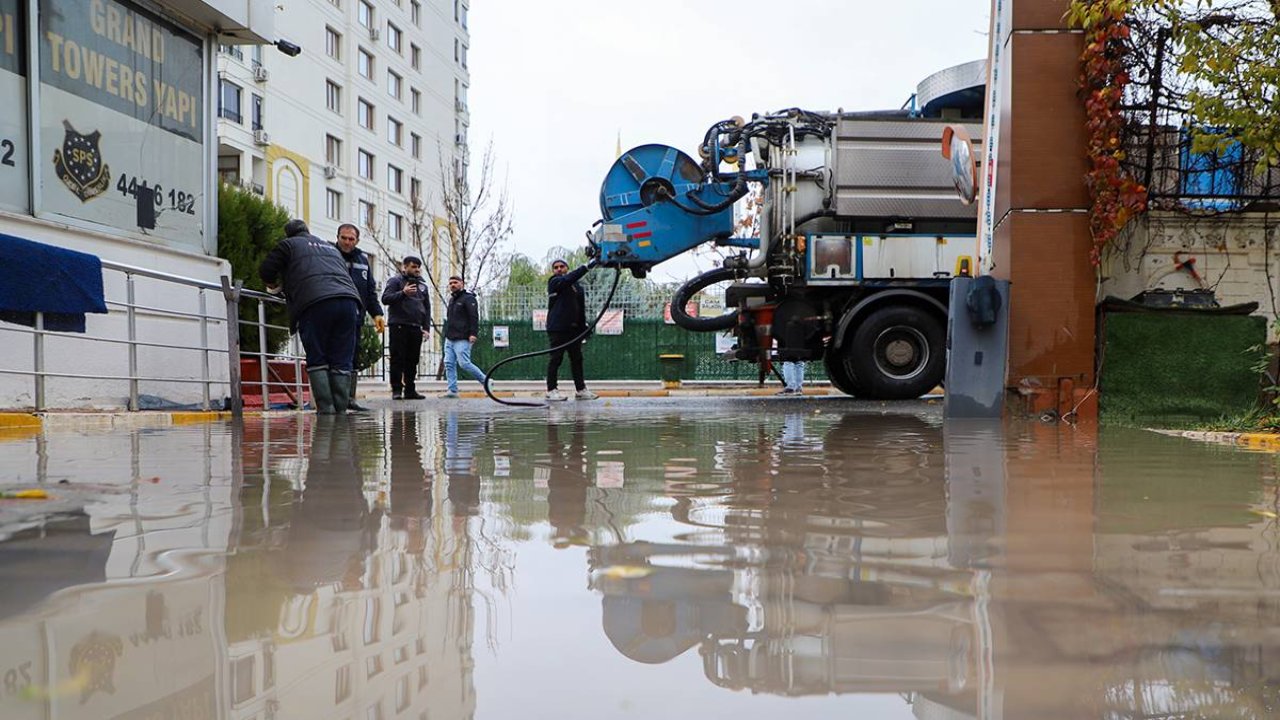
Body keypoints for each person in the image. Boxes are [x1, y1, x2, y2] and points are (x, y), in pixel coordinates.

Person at [259, 219, 361, 414]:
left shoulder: (288, 245)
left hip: (315, 302)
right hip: (349, 301)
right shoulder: (330, 248)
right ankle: (340, 412)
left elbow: (266, 270)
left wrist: (273, 286)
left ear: (288, 234)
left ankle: (326, 410)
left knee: (318, 357)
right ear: (307, 230)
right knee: (341, 358)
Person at [335, 223, 385, 411]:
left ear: (357, 240)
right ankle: (334, 400)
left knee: (352, 357)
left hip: (355, 317)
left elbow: (369, 291)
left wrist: (377, 313)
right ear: (337, 237)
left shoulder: (363, 260)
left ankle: (350, 399)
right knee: (333, 357)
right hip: (332, 316)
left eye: (351, 239)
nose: (347, 242)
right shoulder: (329, 255)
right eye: (343, 238)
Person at [545, 258, 598, 401]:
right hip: (557, 329)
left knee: (577, 359)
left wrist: (583, 327)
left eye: (562, 266)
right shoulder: (555, 282)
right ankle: (551, 390)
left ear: (566, 268)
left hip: (573, 330)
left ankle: (580, 390)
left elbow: (580, 308)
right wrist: (585, 267)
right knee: (556, 359)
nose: (559, 269)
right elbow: (568, 279)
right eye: (556, 267)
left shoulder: (577, 287)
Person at [381, 255, 431, 400]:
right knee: (397, 358)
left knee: (413, 360)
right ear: (405, 267)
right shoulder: (395, 281)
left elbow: (426, 308)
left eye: (418, 267)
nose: (417, 270)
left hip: (416, 327)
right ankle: (396, 390)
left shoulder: (422, 285)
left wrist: (426, 327)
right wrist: (403, 293)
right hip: (399, 325)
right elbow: (385, 299)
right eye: (413, 267)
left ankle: (410, 390)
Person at [440, 275, 488, 399]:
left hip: (463, 337)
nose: (452, 285)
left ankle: (486, 382)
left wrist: (473, 333)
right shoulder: (452, 300)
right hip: (450, 338)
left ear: (462, 283)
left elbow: (474, 317)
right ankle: (452, 390)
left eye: (455, 282)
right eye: (450, 283)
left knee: (464, 363)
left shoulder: (468, 299)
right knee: (449, 363)